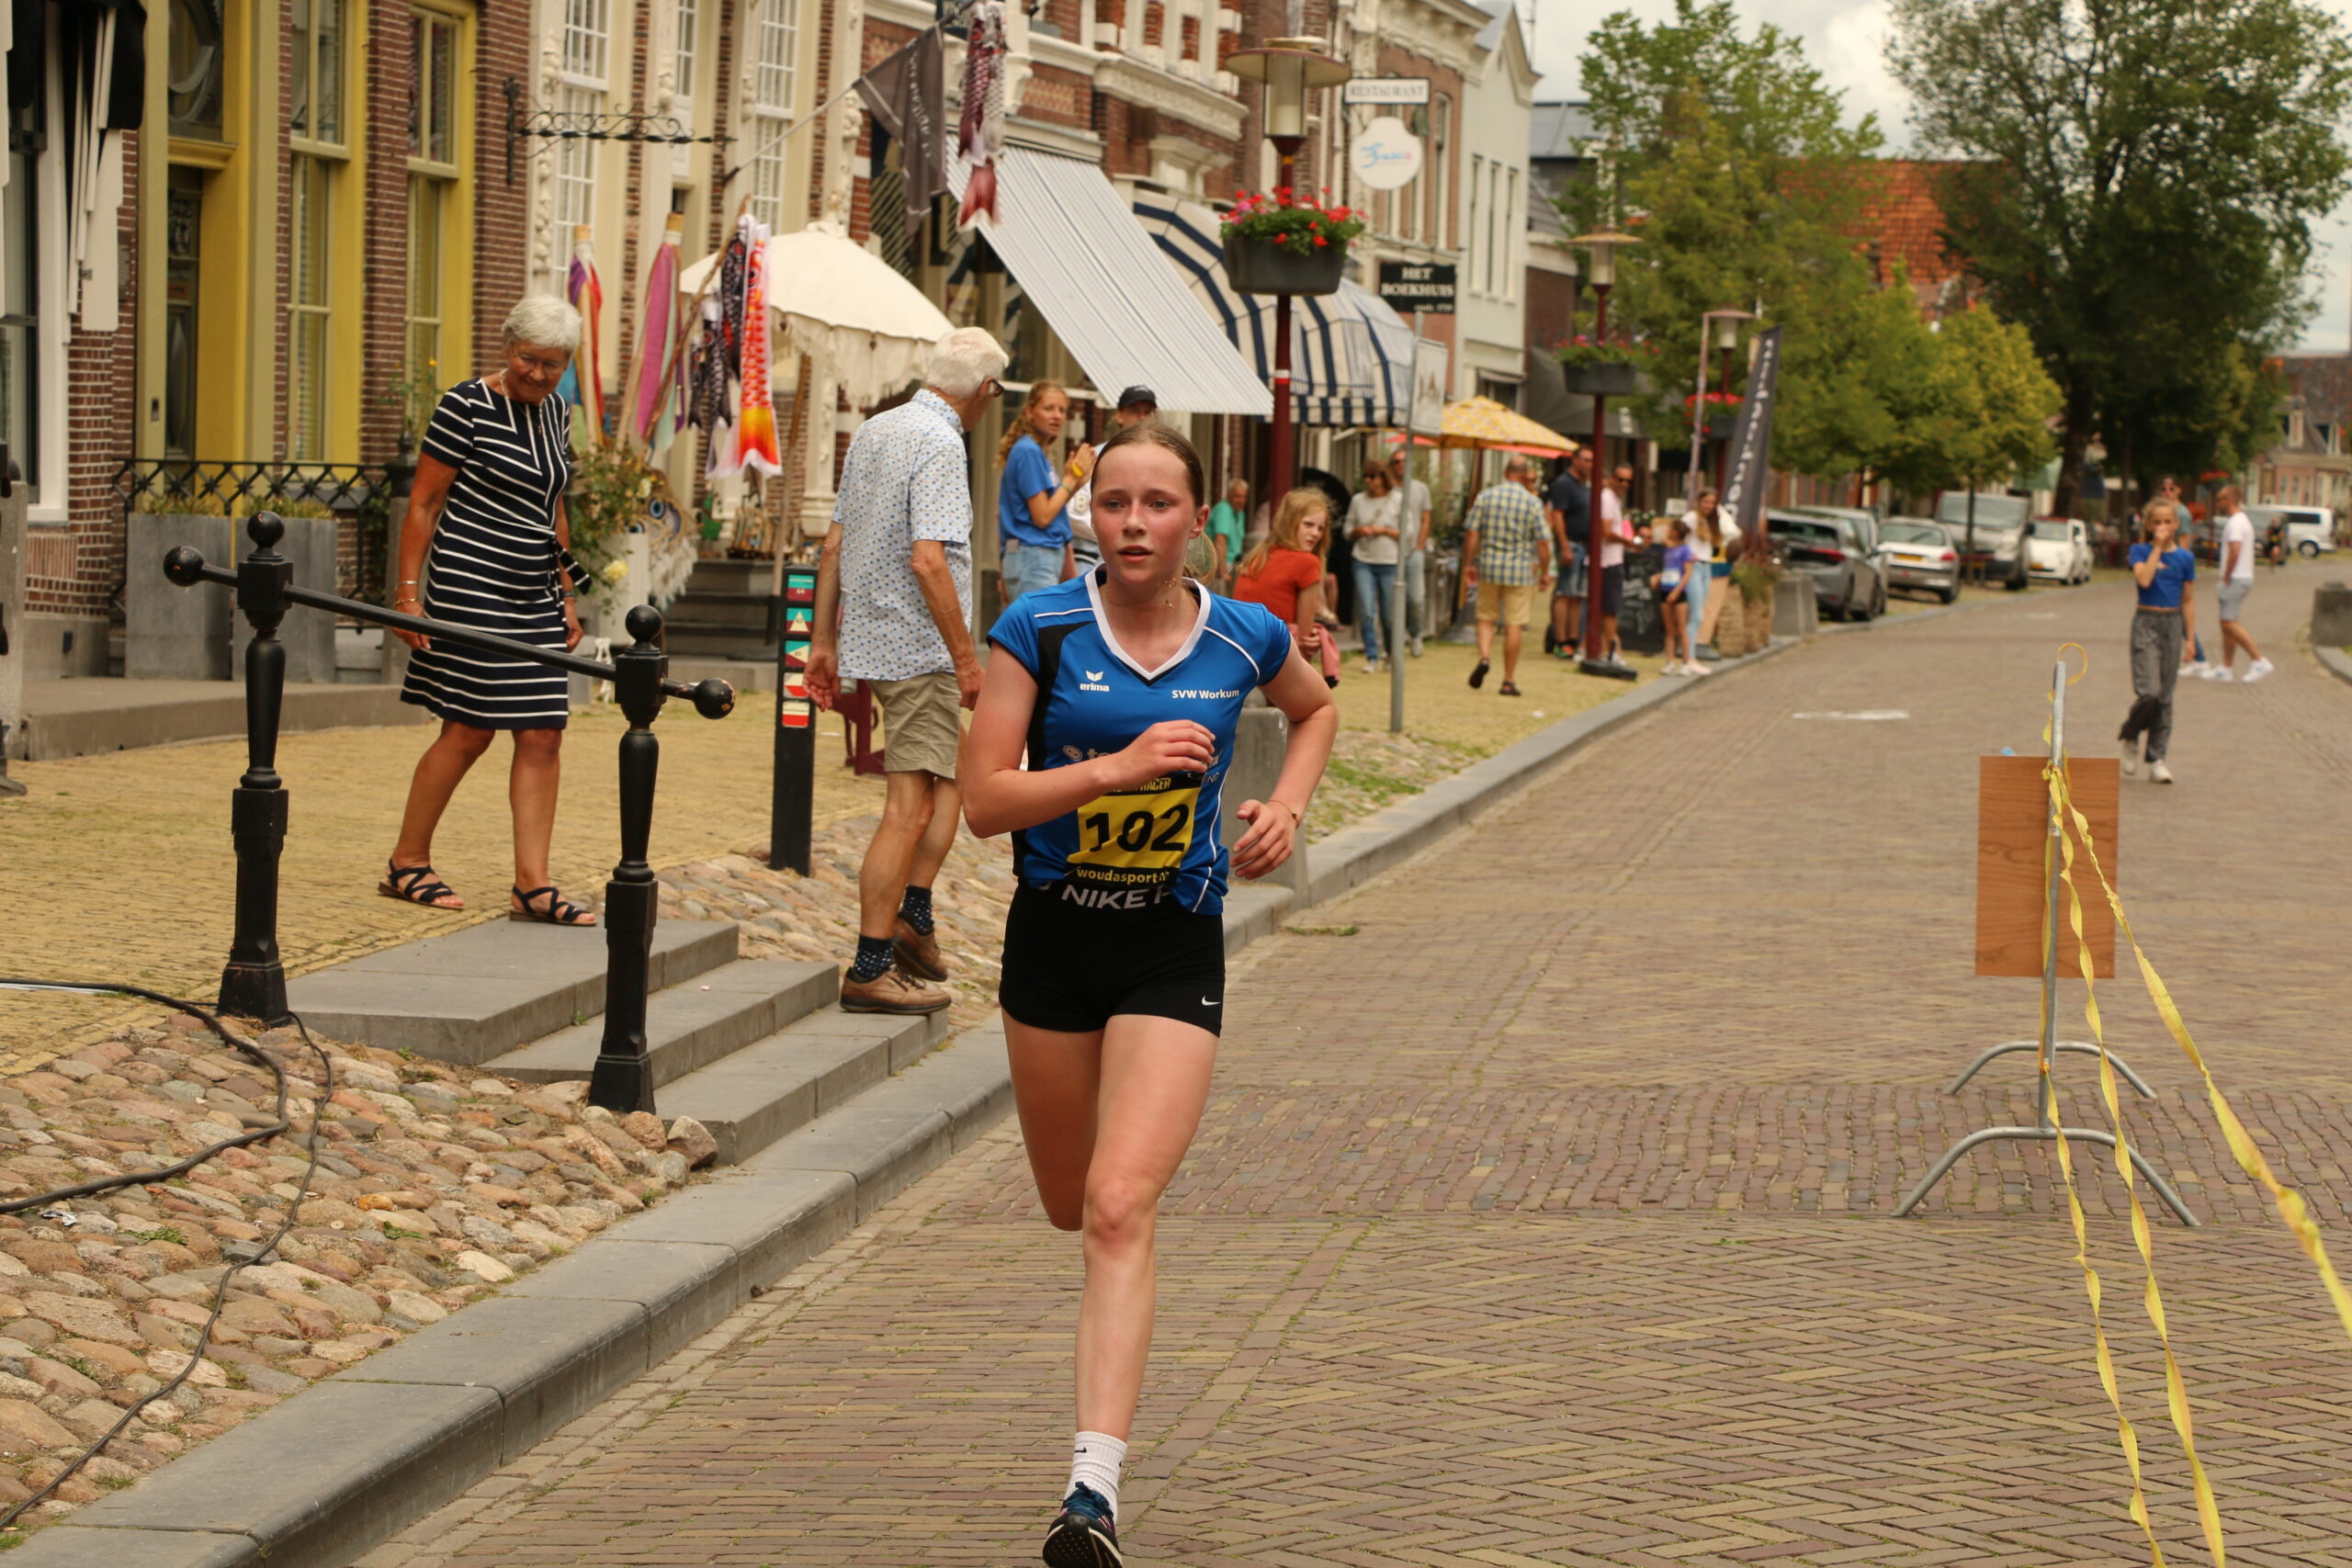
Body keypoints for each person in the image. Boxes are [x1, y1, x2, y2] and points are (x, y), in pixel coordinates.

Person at [963, 422, 1337, 1568]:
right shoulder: (1040, 628)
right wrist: (1113, 771)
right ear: (1091, 515)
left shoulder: (1244, 632)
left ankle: (1091, 1495)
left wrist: (1286, 806)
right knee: (1069, 1202)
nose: (1132, 524)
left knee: (1122, 1204)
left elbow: (1316, 709)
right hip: (1052, 945)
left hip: (1173, 944)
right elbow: (981, 801)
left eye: (1157, 504)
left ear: (1195, 520)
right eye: (1114, 502)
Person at [805, 327, 1007, 1013]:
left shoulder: (876, 429)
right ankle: (871, 963)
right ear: (985, 389)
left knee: (958, 773)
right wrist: (966, 659)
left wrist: (823, 641)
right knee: (910, 807)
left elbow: (833, 544)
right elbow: (929, 560)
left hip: (876, 639)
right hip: (919, 649)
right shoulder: (942, 443)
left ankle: (914, 916)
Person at [384, 295, 596, 925]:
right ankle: (407, 861)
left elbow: (553, 508)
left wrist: (567, 594)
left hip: (534, 588)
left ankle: (532, 884)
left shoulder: (556, 412)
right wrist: (407, 594)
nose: (539, 373)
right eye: (529, 359)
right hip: (469, 584)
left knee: (544, 731)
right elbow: (424, 503)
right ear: (507, 348)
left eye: (553, 364)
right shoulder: (465, 405)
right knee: (470, 727)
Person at [2120, 500, 2197, 785]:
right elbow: (2143, 579)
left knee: (2165, 696)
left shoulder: (2185, 558)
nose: (2163, 527)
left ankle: (2157, 759)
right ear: (2149, 526)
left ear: (2176, 524)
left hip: (2171, 624)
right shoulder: (2140, 551)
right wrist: (2156, 548)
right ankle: (2130, 734)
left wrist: (2190, 639)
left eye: (2167, 522)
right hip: (2146, 623)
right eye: (2157, 522)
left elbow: (2188, 600)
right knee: (2149, 692)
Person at [1461, 456, 1552, 697]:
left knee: (1485, 618)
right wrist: (1545, 571)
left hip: (1489, 566)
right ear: (1525, 475)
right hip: (1519, 570)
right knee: (1514, 623)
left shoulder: (1486, 497)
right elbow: (1543, 542)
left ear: (1505, 472)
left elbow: (1472, 533)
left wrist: (1469, 563)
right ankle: (1508, 680)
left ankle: (1484, 657)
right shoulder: (1532, 503)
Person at [1233, 489, 1340, 685]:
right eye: (1308, 524)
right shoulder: (1307, 562)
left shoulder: (1258, 556)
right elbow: (1304, 640)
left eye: (1320, 528)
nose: (1315, 533)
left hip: (1240, 653)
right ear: (1290, 522)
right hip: (1273, 659)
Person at [998, 381, 1087, 605]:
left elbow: (1051, 509)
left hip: (1035, 556)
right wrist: (1070, 478)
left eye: (1062, 410)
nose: (1057, 416)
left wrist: (1077, 481)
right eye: (1049, 408)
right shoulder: (1028, 451)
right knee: (1039, 627)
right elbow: (1042, 516)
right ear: (1029, 411)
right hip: (1034, 557)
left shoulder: (1035, 452)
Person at [1067, 386, 1159, 580]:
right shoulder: (1095, 457)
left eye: (1148, 412)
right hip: (1093, 559)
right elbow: (1074, 513)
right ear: (1119, 415)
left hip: (1143, 558)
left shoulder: (1165, 462)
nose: (1142, 417)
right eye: (1134, 411)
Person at [2207, 485, 2274, 682]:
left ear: (2230, 499)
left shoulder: (2235, 523)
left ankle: (2258, 660)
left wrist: (2227, 574)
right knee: (2227, 623)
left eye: (2220, 499)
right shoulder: (2242, 520)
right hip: (2242, 576)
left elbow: (2235, 550)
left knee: (2229, 623)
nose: (2218, 503)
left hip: (2235, 578)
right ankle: (2226, 667)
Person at [1347, 464, 1403, 673]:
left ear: (1383, 477)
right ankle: (1372, 655)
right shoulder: (1358, 500)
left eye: (1372, 476)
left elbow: (1407, 532)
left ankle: (1390, 652)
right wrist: (1358, 531)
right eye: (1366, 476)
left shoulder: (1397, 499)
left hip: (1389, 561)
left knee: (1388, 614)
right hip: (1362, 559)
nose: (1368, 480)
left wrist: (1383, 530)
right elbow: (1347, 530)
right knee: (1366, 610)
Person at [1544, 446, 1591, 658]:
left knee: (1578, 595)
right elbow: (1557, 516)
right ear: (1575, 460)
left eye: (1592, 461)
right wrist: (1564, 546)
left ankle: (1573, 639)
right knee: (1564, 592)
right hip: (1570, 543)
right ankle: (1560, 640)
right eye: (1586, 460)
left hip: (1584, 544)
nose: (1589, 465)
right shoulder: (1563, 484)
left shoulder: (1584, 485)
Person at [1387, 450, 1432, 656]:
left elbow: (1426, 518)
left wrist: (1420, 544)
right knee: (1390, 599)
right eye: (1396, 461)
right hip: (1390, 552)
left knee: (1415, 597)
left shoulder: (1420, 488)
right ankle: (1392, 641)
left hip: (1413, 550)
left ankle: (1415, 635)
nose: (1401, 465)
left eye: (1405, 460)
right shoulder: (1387, 488)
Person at [1596, 465, 1637, 664]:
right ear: (1612, 478)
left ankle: (1607, 649)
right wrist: (1627, 541)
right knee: (1609, 609)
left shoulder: (1614, 499)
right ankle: (1609, 651)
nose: (1624, 484)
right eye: (1621, 479)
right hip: (1607, 561)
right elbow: (1605, 531)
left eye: (1628, 481)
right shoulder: (1606, 498)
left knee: (1608, 609)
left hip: (1611, 559)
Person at [1656, 516, 1707, 676]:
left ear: (1676, 532)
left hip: (1679, 592)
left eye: (1670, 529)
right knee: (1669, 629)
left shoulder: (1685, 550)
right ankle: (1670, 661)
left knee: (1681, 628)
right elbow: (1667, 569)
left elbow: (1688, 573)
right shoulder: (1668, 549)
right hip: (1665, 588)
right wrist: (1658, 577)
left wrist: (1677, 591)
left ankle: (1686, 661)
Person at [1682, 489, 1725, 662]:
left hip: (1707, 566)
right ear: (1699, 501)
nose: (1709, 506)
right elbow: (1677, 538)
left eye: (1712, 503)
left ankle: (1690, 654)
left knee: (1700, 611)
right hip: (1694, 566)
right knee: (1696, 614)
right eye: (1706, 501)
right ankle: (1689, 657)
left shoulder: (1711, 521)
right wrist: (1686, 555)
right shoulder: (1691, 518)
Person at [1205, 478, 1250, 589]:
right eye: (1237, 496)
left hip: (1233, 564)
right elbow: (1220, 540)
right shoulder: (1224, 510)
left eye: (1243, 497)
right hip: (1217, 565)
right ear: (1229, 496)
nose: (1241, 500)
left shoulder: (1240, 513)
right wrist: (1223, 570)